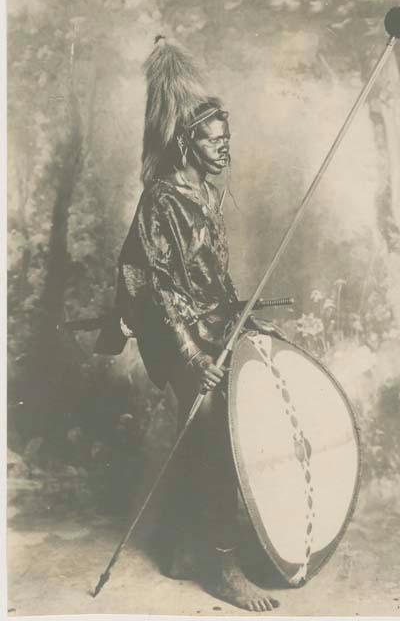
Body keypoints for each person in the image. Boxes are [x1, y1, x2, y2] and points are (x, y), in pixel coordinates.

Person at [96, 37, 280, 612]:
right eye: (213, 141)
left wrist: (239, 315)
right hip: (176, 332)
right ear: (186, 141)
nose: (225, 150)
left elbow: (210, 276)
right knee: (216, 438)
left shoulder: (206, 190)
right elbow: (162, 287)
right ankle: (222, 567)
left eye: (228, 140)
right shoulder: (162, 200)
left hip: (211, 324)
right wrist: (194, 356)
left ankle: (177, 550)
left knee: (201, 435)